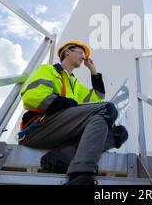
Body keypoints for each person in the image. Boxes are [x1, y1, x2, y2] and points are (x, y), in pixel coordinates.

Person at [18, 40, 128, 185]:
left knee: (119, 133)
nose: (83, 57)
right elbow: (32, 96)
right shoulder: (48, 70)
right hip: (40, 127)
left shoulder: (74, 83)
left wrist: (93, 72)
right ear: (67, 52)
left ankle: (64, 157)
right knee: (107, 109)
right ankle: (81, 175)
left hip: (63, 130)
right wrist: (65, 104)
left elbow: (97, 98)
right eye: (80, 52)